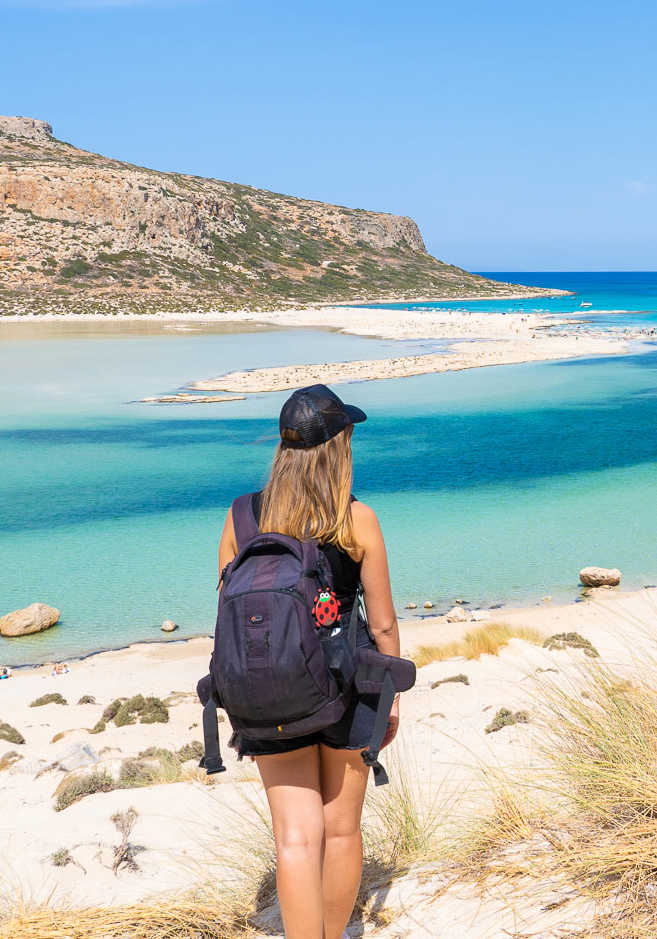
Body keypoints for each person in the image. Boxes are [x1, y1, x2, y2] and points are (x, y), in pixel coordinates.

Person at [219, 383, 401, 939]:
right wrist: (389, 701)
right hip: (348, 688)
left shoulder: (242, 517)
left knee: (294, 837)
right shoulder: (355, 519)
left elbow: (231, 609)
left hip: (268, 686)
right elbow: (386, 622)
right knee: (340, 830)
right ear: (338, 447)